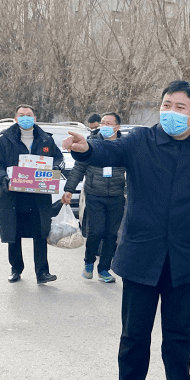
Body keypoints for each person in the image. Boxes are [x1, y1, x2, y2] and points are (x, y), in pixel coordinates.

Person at [62, 81, 190, 380]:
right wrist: (86, 148)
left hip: (182, 260)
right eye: (166, 104)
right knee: (135, 337)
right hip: (142, 256)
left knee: (179, 337)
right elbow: (108, 151)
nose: (170, 112)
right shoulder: (141, 141)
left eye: (180, 107)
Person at [0, 104, 65, 284]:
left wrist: (54, 169)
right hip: (14, 196)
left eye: (29, 115)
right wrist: (3, 178)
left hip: (39, 196)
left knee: (41, 234)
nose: (25, 118)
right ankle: (16, 269)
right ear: (15, 119)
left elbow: (59, 160)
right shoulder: (5, 139)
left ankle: (42, 272)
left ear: (35, 118)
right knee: (14, 234)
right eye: (21, 115)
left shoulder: (46, 139)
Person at [62, 112, 126, 283]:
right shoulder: (91, 144)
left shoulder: (124, 147)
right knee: (96, 231)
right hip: (94, 194)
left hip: (116, 196)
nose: (104, 126)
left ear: (117, 127)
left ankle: (104, 269)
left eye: (109, 123)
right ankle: (89, 262)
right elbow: (78, 168)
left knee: (111, 234)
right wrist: (69, 189)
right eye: (103, 123)